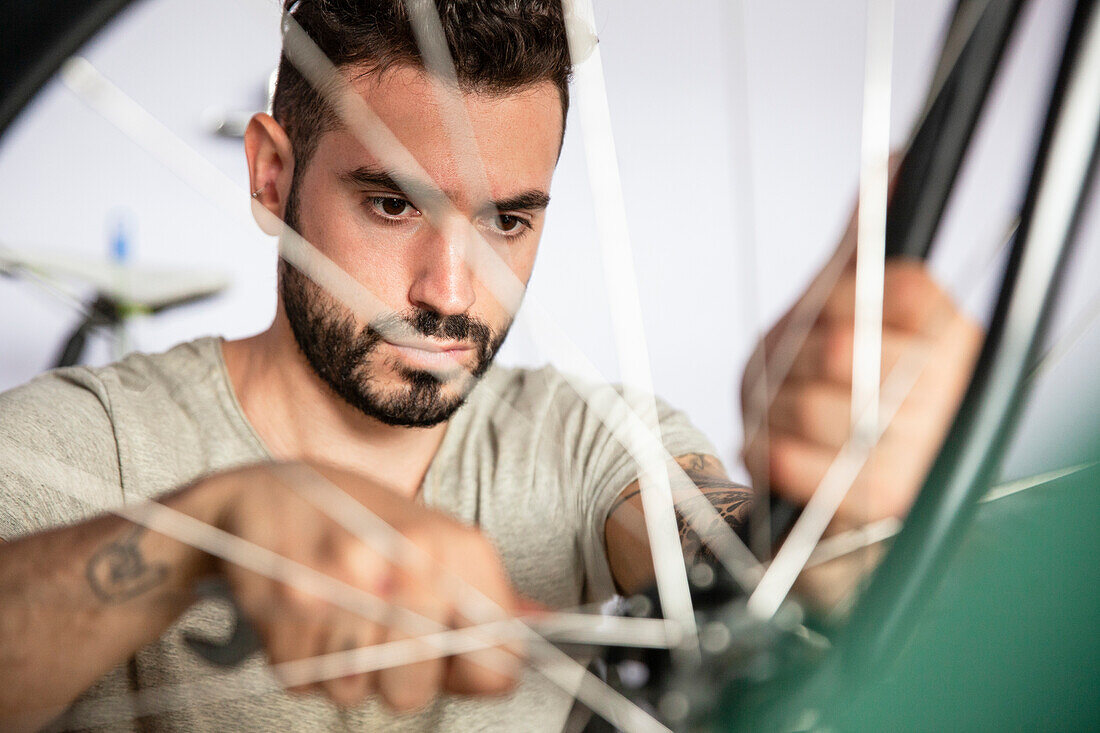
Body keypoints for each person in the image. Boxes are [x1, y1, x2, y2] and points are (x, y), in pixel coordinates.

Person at [0, 1, 982, 731]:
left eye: (507, 219)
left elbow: (714, 543)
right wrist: (202, 535)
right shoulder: (94, 442)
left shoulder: (574, 440)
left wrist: (832, 518)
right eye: (391, 204)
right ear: (270, 173)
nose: (450, 291)